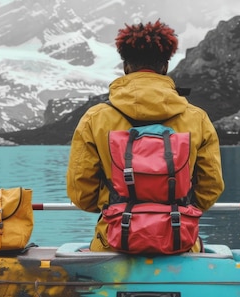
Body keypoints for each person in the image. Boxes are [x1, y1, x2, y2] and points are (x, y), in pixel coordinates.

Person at [66, 20, 224, 252]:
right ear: (165, 67)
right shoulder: (196, 118)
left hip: (113, 243)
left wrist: (115, 207)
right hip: (180, 242)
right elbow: (211, 188)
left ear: (126, 66)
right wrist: (178, 208)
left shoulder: (95, 118)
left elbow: (82, 193)